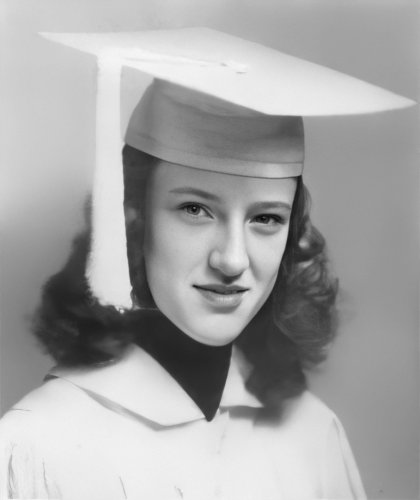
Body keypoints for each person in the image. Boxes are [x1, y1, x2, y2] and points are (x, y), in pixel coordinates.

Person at [0, 28, 413, 499]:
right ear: (132, 219)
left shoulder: (313, 436)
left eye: (266, 218)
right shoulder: (37, 444)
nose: (232, 260)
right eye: (195, 209)